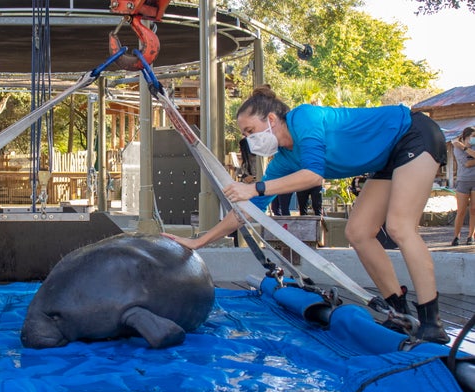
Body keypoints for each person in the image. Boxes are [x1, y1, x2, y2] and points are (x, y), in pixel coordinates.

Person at [163, 85, 450, 344]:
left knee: (400, 228)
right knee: (358, 232)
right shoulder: (285, 160)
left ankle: (431, 321)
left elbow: (313, 176)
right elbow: (246, 213)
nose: (248, 140)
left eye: (250, 131)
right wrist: (200, 242)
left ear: (271, 120)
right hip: (387, 158)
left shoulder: (305, 118)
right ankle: (398, 312)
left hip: (413, 134)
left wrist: (256, 188)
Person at [450, 126, 475, 246]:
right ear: (466, 136)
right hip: (463, 181)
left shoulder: (461, 147)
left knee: (474, 210)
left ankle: (471, 236)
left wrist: (465, 148)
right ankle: (456, 236)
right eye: (473, 136)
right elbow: (467, 163)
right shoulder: (457, 148)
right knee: (461, 210)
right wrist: (466, 150)